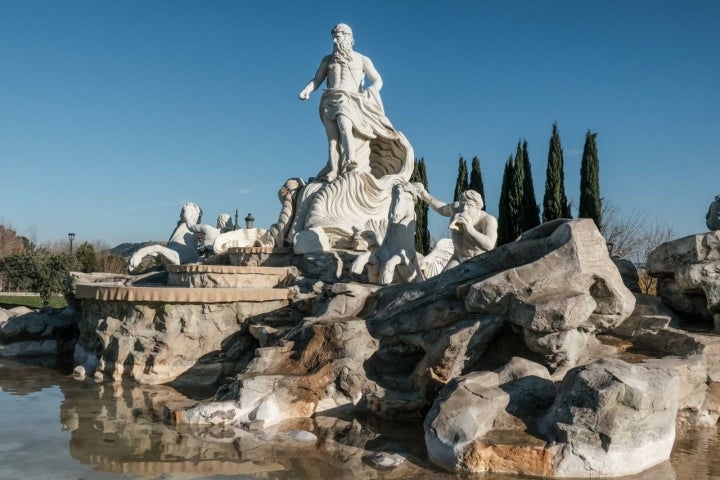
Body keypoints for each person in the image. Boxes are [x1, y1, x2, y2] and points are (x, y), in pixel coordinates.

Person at [298, 23, 394, 181]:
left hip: (349, 99)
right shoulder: (328, 60)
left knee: (344, 126)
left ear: (348, 36)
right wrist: (307, 90)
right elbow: (317, 79)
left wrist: (371, 91)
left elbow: (378, 80)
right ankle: (334, 169)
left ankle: (351, 160)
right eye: (334, 37)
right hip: (329, 98)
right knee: (332, 138)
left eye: (338, 36)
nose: (335, 40)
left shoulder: (361, 59)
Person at [417, 186, 498, 270]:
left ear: (478, 207)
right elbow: (442, 208)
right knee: (443, 280)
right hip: (458, 258)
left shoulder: (487, 220)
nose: (464, 209)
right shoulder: (458, 209)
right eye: (462, 204)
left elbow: (489, 245)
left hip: (479, 261)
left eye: (470, 205)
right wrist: (425, 196)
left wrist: (469, 229)